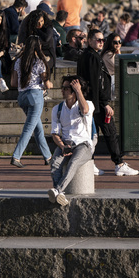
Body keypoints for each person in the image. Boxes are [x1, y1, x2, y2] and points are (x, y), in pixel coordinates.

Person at [77, 29, 139, 177]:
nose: (101, 42)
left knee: (92, 135)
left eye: (102, 40)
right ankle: (119, 164)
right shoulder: (92, 57)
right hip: (97, 104)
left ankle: (89, 163)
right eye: (98, 39)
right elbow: (95, 83)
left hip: (92, 102)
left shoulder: (89, 56)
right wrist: (104, 103)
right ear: (89, 40)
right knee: (109, 133)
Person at [48, 76, 95, 206]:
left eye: (66, 88)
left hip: (83, 144)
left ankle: (57, 190)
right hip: (66, 143)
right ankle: (60, 195)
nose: (62, 90)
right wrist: (62, 146)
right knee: (55, 164)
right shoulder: (57, 109)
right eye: (62, 87)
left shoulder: (88, 104)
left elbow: (85, 111)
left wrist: (79, 91)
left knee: (73, 163)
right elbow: (55, 133)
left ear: (74, 90)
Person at [9, 35, 53, 167]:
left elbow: (13, 82)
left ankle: (48, 156)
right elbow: (48, 84)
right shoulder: (40, 62)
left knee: (37, 128)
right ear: (38, 47)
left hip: (22, 96)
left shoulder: (18, 61)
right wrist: (48, 84)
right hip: (35, 96)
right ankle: (16, 156)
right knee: (28, 129)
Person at [100, 32, 122, 108]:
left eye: (120, 42)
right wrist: (118, 52)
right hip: (110, 81)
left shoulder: (113, 53)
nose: (118, 44)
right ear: (110, 43)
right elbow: (119, 65)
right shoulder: (108, 54)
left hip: (113, 80)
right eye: (115, 42)